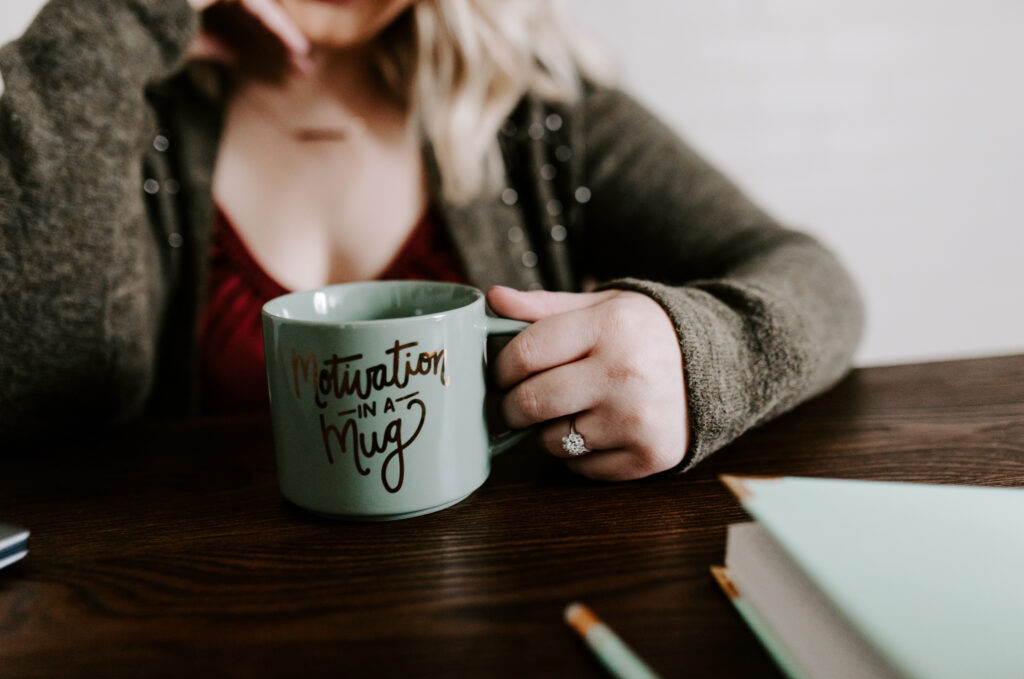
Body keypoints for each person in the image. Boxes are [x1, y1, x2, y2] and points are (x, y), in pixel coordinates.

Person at [0, 0, 864, 479]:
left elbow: (811, 279)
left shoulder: (538, 112)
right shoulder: (118, 101)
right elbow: (30, 389)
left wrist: (695, 352)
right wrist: (118, 15)